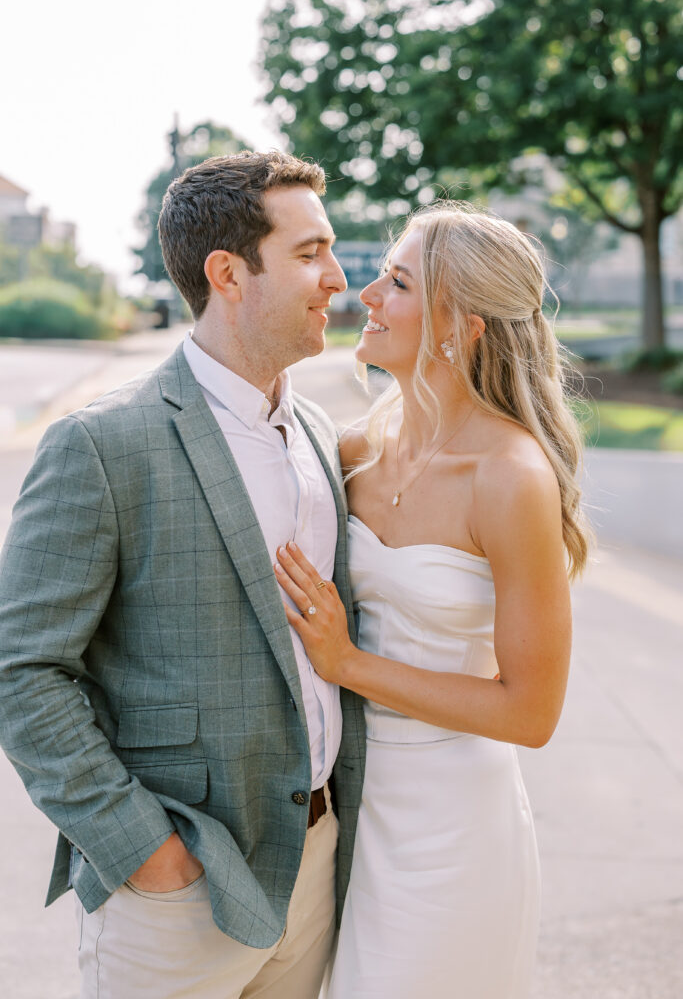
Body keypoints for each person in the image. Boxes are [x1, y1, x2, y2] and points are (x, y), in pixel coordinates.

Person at [0, 150, 366, 999]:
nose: (337, 278)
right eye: (309, 253)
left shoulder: (318, 432)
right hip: (177, 893)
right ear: (228, 274)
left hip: (315, 867)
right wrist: (145, 851)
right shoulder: (100, 444)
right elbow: (22, 668)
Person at [273, 202, 591, 998]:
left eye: (399, 282)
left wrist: (349, 663)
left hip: (451, 829)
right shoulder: (352, 450)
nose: (366, 294)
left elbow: (530, 713)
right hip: (347, 807)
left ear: (461, 326)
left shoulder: (509, 476)